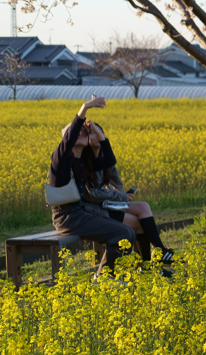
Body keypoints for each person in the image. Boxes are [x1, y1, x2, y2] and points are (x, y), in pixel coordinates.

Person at [49, 97, 135, 277]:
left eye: (84, 132)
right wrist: (84, 108)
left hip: (82, 213)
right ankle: (104, 278)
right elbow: (69, 139)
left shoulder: (82, 163)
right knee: (122, 234)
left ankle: (111, 276)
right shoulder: (61, 159)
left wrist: (98, 134)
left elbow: (109, 161)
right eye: (77, 131)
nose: (81, 132)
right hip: (68, 218)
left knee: (128, 232)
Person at [81, 124, 174, 266]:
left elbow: (116, 181)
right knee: (138, 224)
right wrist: (119, 197)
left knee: (143, 207)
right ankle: (150, 265)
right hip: (95, 209)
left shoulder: (105, 158)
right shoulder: (85, 162)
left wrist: (122, 196)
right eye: (93, 133)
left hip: (105, 204)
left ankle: (160, 252)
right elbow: (91, 195)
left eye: (100, 132)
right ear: (85, 139)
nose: (98, 136)